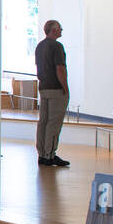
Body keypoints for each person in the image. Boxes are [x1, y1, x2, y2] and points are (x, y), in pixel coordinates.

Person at [34, 20, 70, 167]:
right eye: (60, 28)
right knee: (54, 123)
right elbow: (60, 69)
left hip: (43, 88)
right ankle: (50, 155)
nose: (61, 30)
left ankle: (42, 154)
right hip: (56, 88)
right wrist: (65, 88)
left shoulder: (39, 46)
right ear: (53, 30)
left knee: (43, 122)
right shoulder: (57, 46)